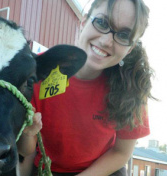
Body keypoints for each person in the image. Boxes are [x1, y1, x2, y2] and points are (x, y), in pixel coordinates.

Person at [17, 0, 154, 175]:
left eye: (124, 35)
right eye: (102, 22)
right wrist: (28, 135)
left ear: (130, 48)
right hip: (47, 168)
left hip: (103, 170)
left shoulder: (132, 87)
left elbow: (121, 152)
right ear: (84, 21)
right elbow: (25, 151)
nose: (106, 41)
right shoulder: (39, 70)